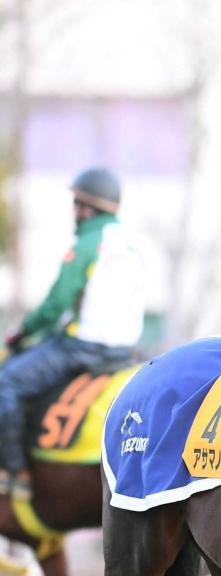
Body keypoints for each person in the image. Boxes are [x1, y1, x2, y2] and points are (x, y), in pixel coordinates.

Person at [0, 167, 145, 500]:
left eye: (76, 205)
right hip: (124, 353)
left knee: (6, 384)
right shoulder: (131, 247)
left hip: (82, 349)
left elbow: (56, 305)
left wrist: (22, 331)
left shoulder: (85, 245)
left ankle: (15, 471)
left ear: (85, 208)